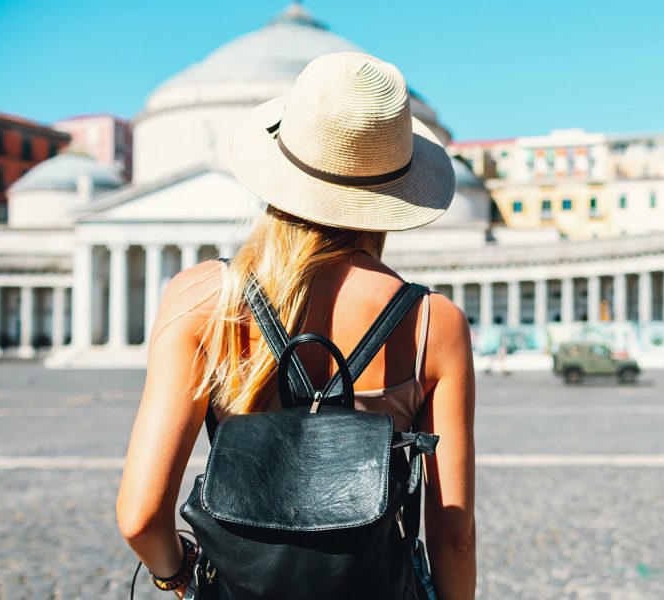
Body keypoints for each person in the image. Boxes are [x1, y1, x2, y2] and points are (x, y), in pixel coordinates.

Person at [116, 52, 476, 599]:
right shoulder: (432, 322)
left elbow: (140, 517)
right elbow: (453, 535)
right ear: (394, 194)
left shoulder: (201, 298)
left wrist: (178, 573)